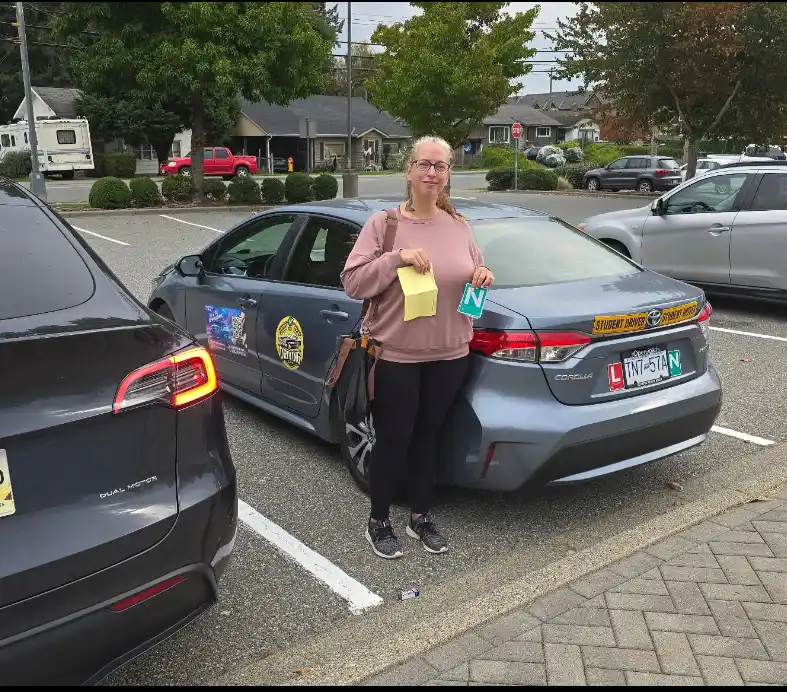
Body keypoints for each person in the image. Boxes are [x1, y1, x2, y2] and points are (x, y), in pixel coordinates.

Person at [340, 135, 494, 559]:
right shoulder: (384, 225)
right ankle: (378, 521)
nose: (432, 173)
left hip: (451, 353)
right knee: (394, 439)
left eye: (440, 166)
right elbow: (353, 282)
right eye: (424, 164)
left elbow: (473, 267)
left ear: (448, 175)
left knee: (430, 437)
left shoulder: (459, 225)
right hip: (397, 356)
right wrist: (397, 258)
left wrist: (481, 274)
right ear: (408, 171)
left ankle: (420, 517)